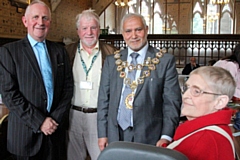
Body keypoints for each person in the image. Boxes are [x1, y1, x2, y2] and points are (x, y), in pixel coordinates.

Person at [97, 13, 182, 151]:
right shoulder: (112, 61)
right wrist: (102, 133)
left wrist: (166, 136)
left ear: (146, 30)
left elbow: (171, 103)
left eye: (138, 29)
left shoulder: (164, 61)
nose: (134, 35)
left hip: (150, 136)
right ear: (123, 34)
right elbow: (103, 100)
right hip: (115, 134)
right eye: (128, 31)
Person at [0, 0, 73, 159]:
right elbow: (9, 95)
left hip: (55, 136)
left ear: (50, 23)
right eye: (36, 17)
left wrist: (53, 120)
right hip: (25, 137)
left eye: (45, 18)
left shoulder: (60, 51)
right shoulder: (9, 52)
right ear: (25, 21)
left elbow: (68, 89)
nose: (40, 22)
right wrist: (40, 122)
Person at [65, 9, 117, 160]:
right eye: (84, 28)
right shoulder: (67, 52)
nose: (89, 32)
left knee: (101, 157)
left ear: (99, 30)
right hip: (73, 116)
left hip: (99, 117)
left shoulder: (112, 53)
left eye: (93, 28)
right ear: (78, 31)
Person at [167, 66, 235, 160]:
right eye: (186, 88)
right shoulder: (212, 131)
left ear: (220, 102)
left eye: (196, 91)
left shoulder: (204, 140)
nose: (185, 95)